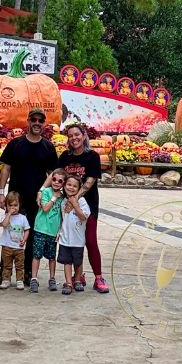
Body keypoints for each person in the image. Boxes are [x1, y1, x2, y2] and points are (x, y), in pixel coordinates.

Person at [0, 108, 58, 286]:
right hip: (15, 199)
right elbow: (6, 168)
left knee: (30, 235)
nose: (37, 123)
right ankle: (3, 272)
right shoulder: (16, 144)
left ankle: (27, 272)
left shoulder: (48, 147)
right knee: (9, 234)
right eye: (34, 120)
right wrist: (1, 193)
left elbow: (52, 174)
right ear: (28, 121)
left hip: (36, 199)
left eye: (40, 121)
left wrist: (51, 197)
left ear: (43, 124)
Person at [56, 123, 109, 294]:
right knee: (71, 241)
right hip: (67, 208)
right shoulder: (64, 157)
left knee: (90, 241)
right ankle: (79, 275)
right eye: (70, 135)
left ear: (84, 135)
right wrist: (44, 191)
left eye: (77, 134)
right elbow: (56, 176)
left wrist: (74, 199)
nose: (74, 138)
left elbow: (90, 181)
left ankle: (99, 277)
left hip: (88, 206)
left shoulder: (92, 156)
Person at [30, 168, 67, 293]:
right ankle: (34, 278)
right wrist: (54, 198)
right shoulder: (45, 192)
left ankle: (52, 278)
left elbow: (62, 215)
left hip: (53, 231)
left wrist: (59, 231)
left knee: (52, 256)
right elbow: (45, 208)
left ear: (63, 183)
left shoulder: (63, 197)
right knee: (37, 255)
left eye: (60, 181)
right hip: (41, 228)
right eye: (54, 179)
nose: (56, 182)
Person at [57, 174, 90, 295]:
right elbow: (62, 219)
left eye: (75, 186)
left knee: (78, 262)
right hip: (65, 238)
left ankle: (77, 280)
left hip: (78, 239)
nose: (71, 187)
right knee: (67, 262)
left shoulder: (82, 201)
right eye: (69, 184)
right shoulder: (63, 201)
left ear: (79, 188)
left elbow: (83, 217)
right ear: (64, 185)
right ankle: (68, 282)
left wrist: (75, 204)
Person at [0, 191, 29, 290]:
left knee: (20, 265)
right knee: (7, 265)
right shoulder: (5, 216)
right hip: (7, 246)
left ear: (19, 205)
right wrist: (9, 214)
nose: (13, 208)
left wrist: (24, 239)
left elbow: (27, 230)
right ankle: (6, 279)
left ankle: (20, 280)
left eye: (16, 205)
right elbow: (5, 225)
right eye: (10, 205)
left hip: (18, 247)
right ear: (6, 206)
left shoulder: (23, 218)